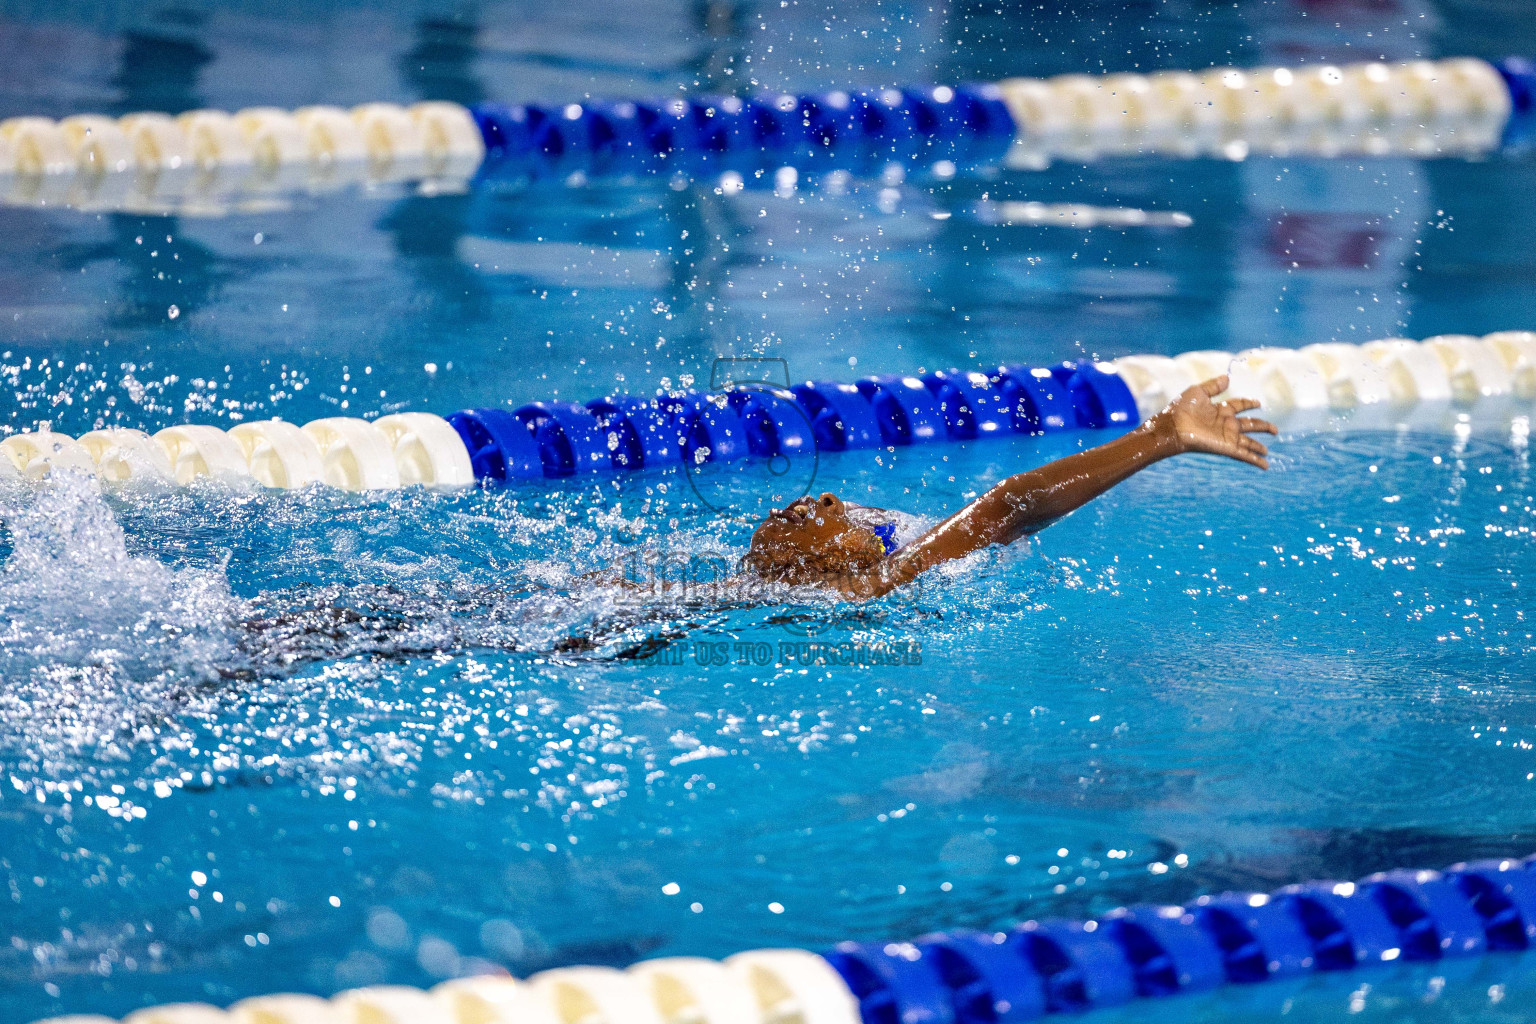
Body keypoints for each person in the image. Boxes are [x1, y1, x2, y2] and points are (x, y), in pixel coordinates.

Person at [743, 375, 1276, 600]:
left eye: (845, 508)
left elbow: (1010, 508)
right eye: (836, 510)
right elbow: (1010, 505)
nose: (826, 499)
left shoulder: (875, 582)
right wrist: (1158, 435)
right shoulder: (854, 588)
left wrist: (1163, 435)